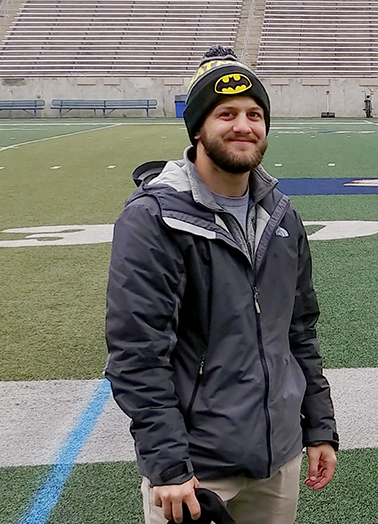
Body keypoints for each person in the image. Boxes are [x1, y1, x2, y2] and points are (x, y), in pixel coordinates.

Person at [106, 46, 339, 524]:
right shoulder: (153, 218)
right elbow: (137, 353)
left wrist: (318, 427)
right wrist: (168, 464)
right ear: (197, 129)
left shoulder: (281, 215)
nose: (244, 126)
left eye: (255, 114)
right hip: (196, 470)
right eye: (226, 114)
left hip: (278, 457)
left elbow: (298, 332)